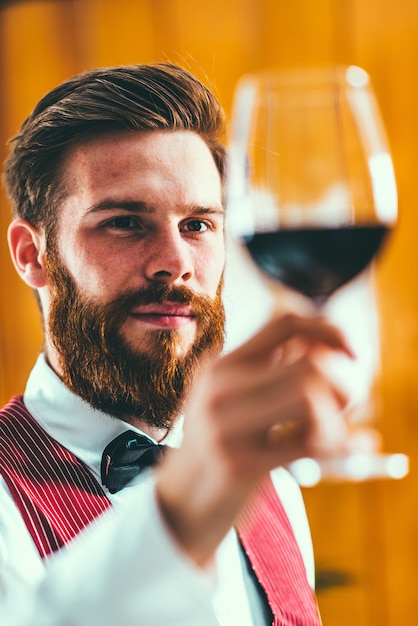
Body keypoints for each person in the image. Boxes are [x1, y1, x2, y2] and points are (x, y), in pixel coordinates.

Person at [0, 62, 356, 626]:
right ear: (32, 254)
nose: (176, 263)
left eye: (197, 225)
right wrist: (183, 509)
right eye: (122, 223)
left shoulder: (274, 490)